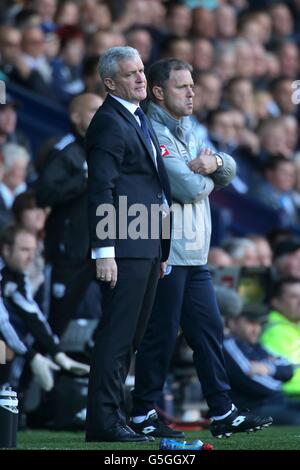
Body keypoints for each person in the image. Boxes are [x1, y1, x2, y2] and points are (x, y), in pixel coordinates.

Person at [130, 58, 272, 439]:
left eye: (193, 84)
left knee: (209, 331)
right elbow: (188, 188)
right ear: (158, 92)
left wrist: (213, 162)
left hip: (194, 252)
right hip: (167, 252)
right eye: (182, 86)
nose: (192, 91)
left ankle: (223, 410)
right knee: (160, 337)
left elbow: (229, 168)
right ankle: (142, 410)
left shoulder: (189, 130)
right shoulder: (153, 133)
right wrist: (211, 172)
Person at [85, 47, 172, 443]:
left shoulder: (136, 117)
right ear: (109, 83)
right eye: (130, 73)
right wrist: (105, 251)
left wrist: (160, 249)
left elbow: (150, 186)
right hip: (124, 245)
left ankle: (112, 417)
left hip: (146, 245)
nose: (141, 78)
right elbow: (101, 189)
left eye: (141, 70)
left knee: (131, 338)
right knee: (117, 336)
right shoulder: (108, 122)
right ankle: (104, 422)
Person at [36, 93, 103, 336]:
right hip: (67, 252)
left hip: (97, 249)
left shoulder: (101, 150)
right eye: (94, 110)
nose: (101, 115)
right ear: (75, 117)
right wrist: (84, 178)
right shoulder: (65, 149)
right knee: (55, 320)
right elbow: (44, 193)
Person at [0, 225, 89, 391]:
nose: (31, 257)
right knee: (4, 352)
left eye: (33, 251)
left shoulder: (16, 273)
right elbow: (2, 321)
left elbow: (32, 314)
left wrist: (57, 353)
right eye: (25, 250)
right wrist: (32, 356)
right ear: (6, 249)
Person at [223, 304, 300, 425]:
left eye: (258, 324)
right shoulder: (229, 345)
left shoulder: (256, 346)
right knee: (296, 419)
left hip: (276, 404)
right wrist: (278, 381)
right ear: (232, 322)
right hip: (250, 410)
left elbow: (288, 369)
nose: (256, 329)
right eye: (250, 323)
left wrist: (269, 369)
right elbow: (254, 383)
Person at [261, 277, 300, 398]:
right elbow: (287, 379)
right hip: (291, 401)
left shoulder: (294, 326)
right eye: (294, 297)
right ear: (276, 302)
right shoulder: (274, 332)